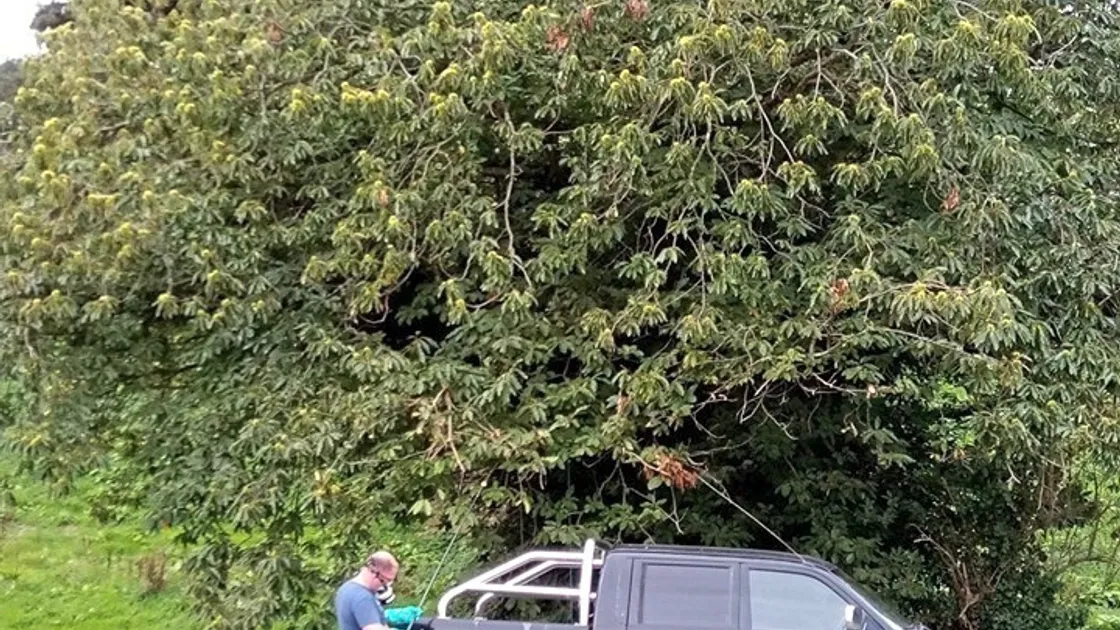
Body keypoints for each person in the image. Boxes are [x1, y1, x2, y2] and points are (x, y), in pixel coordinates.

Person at [335, 550, 422, 630]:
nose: (385, 585)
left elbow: (363, 616)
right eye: (385, 581)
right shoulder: (362, 597)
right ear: (374, 573)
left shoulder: (346, 588)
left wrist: (388, 616)